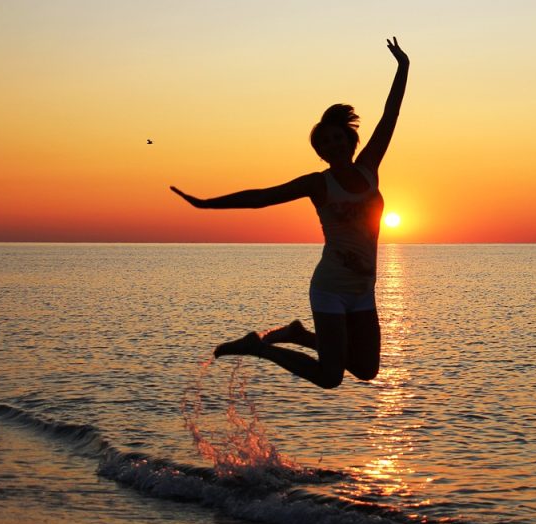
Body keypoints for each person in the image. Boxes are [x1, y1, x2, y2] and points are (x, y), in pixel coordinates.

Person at [171, 38, 409, 389]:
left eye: (335, 138)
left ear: (349, 138)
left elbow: (391, 115)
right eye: (323, 143)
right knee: (330, 377)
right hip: (330, 287)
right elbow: (262, 198)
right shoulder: (318, 184)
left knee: (366, 369)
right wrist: (208, 203)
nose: (331, 145)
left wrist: (403, 67)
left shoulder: (368, 169)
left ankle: (298, 334)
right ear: (320, 151)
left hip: (363, 288)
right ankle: (259, 347)